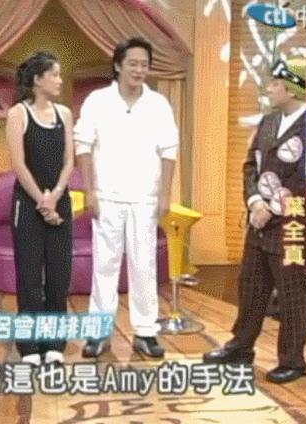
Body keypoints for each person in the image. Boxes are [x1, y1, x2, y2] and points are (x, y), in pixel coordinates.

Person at [203, 58, 306, 384]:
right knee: (250, 286)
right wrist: (253, 201)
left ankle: (293, 360)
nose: (269, 89)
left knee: (291, 293)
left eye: (275, 83)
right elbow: (250, 165)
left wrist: (272, 209)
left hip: (291, 225)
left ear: (292, 87)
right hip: (258, 221)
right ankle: (241, 346)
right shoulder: (268, 120)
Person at [75, 37, 179, 358]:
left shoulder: (158, 104)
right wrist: (89, 191)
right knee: (104, 266)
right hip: (106, 197)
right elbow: (83, 146)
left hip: (145, 198)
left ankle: (146, 332)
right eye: (133, 63)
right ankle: (99, 332)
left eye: (144, 65)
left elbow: (169, 150)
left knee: (144, 265)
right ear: (118, 65)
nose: (139, 70)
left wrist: (165, 194)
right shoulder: (97, 101)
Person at [6, 52, 74, 366]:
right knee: (30, 277)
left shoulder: (65, 113)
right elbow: (19, 165)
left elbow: (69, 161)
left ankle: (54, 342)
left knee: (59, 276)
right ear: (37, 79)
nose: (60, 80)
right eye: (54, 74)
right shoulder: (18, 113)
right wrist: (41, 201)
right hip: (28, 204)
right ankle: (30, 345)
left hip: (60, 202)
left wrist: (56, 196)